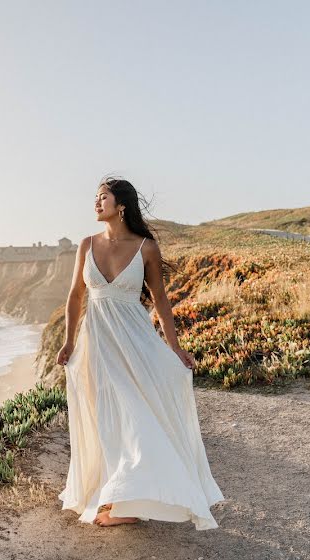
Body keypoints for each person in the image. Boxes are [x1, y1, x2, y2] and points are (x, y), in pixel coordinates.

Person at [56, 176, 225, 528]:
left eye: (103, 197)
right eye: (96, 197)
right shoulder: (86, 244)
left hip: (135, 341)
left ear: (121, 206)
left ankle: (130, 502)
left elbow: (161, 300)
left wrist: (175, 348)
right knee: (105, 415)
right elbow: (75, 296)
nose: (96, 203)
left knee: (135, 416)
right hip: (98, 341)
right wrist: (69, 342)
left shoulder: (146, 247)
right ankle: (114, 496)